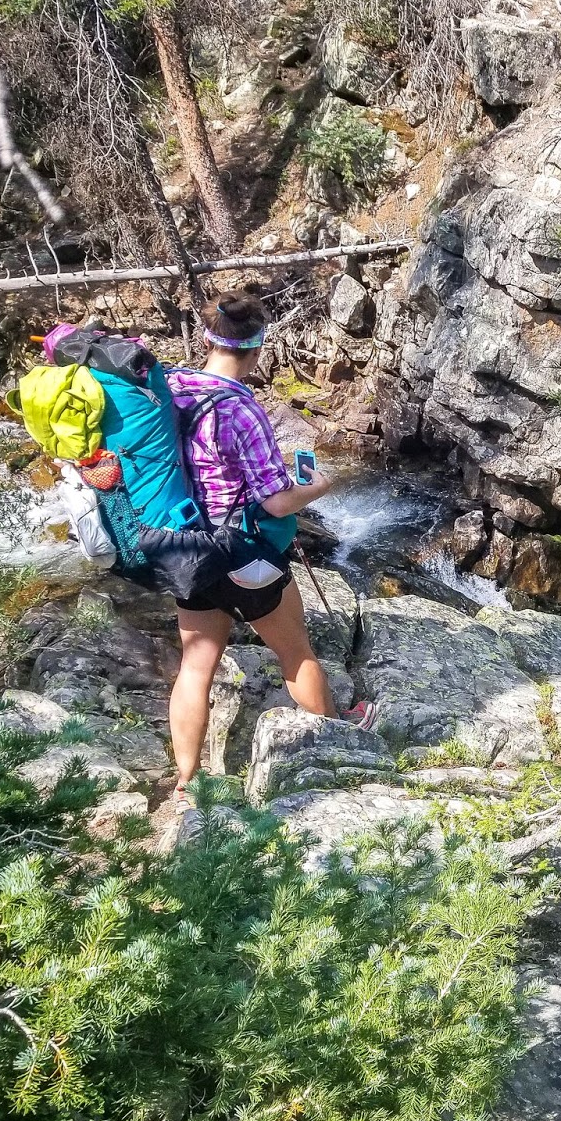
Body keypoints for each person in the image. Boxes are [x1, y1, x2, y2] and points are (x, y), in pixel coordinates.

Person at [164, 289, 362, 812]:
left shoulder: (172, 388)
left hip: (184, 549)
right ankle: (337, 745)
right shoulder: (240, 410)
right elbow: (275, 503)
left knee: (195, 664)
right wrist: (317, 487)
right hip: (241, 553)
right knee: (295, 651)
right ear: (256, 349)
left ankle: (185, 781)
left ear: (207, 339)